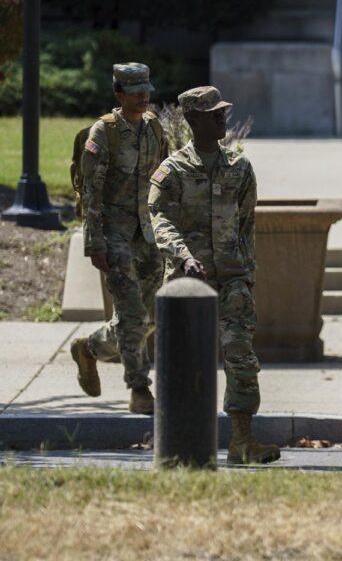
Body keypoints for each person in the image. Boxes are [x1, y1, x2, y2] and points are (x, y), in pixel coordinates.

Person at [148, 86, 280, 465]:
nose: (222, 117)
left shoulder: (239, 169)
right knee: (185, 365)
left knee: (241, 359)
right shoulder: (171, 172)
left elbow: (247, 226)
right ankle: (179, 445)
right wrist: (185, 257)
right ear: (191, 119)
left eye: (223, 111)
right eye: (212, 113)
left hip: (232, 282)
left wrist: (246, 275)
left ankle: (242, 441)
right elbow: (160, 221)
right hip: (187, 289)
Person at [70, 62, 167, 415]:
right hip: (115, 235)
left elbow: (163, 180)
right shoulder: (104, 133)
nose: (143, 96)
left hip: (148, 232)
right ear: (118, 92)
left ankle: (89, 348)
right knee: (131, 314)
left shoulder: (155, 127)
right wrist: (94, 243)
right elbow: (92, 193)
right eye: (135, 90)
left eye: (146, 89)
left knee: (153, 315)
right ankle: (140, 389)